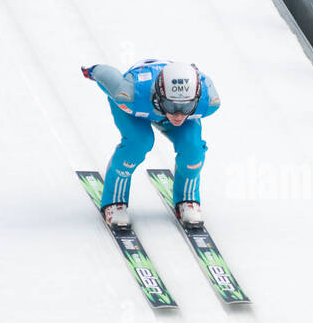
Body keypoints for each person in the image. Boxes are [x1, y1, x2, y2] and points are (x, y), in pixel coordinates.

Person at [81, 59, 220, 228]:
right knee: (139, 142)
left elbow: (201, 78)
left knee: (193, 148)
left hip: (150, 104)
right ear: (159, 95)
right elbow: (108, 75)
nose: (178, 115)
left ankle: (187, 198)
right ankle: (114, 200)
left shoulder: (209, 100)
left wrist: (175, 107)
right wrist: (92, 71)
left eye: (187, 106)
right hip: (137, 108)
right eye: (171, 105)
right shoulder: (129, 93)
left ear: (196, 99)